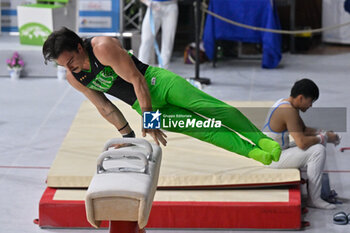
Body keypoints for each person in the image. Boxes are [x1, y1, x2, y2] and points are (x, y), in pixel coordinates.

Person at [42, 27, 281, 165]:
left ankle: (261, 140)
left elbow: (137, 79)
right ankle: (253, 153)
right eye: (63, 65)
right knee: (204, 130)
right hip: (144, 107)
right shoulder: (75, 78)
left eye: (70, 61)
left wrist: (149, 119)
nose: (69, 69)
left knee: (213, 110)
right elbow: (105, 107)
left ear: (79, 48)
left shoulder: (101, 47)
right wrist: (129, 135)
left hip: (158, 84)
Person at [262, 79, 341, 209]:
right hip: (274, 159)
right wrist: (324, 137)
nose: (311, 106)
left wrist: (323, 132)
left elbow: (303, 129)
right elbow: (302, 143)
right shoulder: (288, 111)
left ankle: (316, 185)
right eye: (311, 101)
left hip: (275, 152)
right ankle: (314, 199)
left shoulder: (286, 103)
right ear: (300, 98)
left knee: (317, 144)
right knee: (318, 151)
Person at [138, 0, 178, 69]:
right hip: (153, 5)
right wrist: (147, 2)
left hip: (171, 5)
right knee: (146, 40)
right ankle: (140, 70)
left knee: (168, 43)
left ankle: (163, 71)